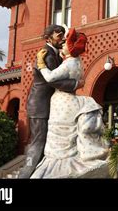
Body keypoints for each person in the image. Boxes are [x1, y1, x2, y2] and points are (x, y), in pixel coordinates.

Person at [30, 28, 109, 178]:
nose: (62, 45)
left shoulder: (68, 63)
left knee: (59, 139)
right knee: (68, 139)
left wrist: (41, 64)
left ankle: (55, 172)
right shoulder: (77, 61)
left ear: (71, 48)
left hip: (62, 102)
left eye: (65, 43)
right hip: (69, 100)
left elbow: (50, 78)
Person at [19, 25, 84, 179]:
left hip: (50, 106)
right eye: (58, 35)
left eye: (63, 35)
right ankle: (24, 176)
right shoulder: (46, 54)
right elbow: (53, 81)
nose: (61, 38)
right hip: (40, 106)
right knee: (38, 144)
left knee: (46, 146)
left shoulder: (56, 54)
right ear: (48, 37)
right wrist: (76, 84)